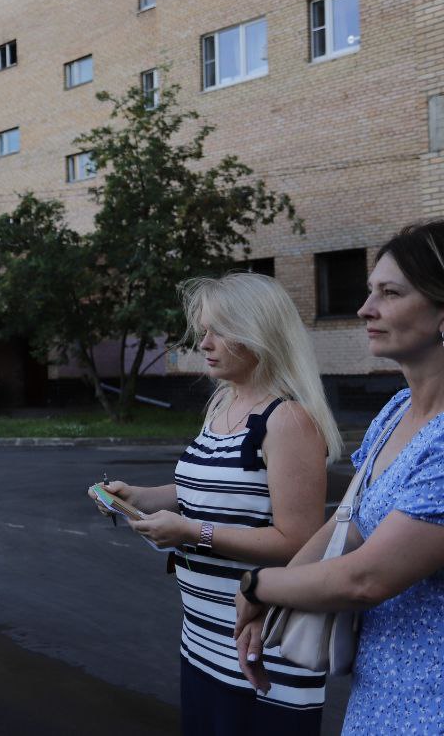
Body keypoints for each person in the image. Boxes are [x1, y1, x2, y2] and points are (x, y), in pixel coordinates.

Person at [89, 272, 340, 734]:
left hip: (264, 648)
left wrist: (191, 533)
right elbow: (204, 493)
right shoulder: (222, 402)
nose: (203, 343)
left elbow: (300, 542)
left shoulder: (288, 419)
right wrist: (139, 498)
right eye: (203, 329)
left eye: (218, 331)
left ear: (258, 333)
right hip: (203, 637)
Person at [235, 222, 444, 734]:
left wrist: (260, 585)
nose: (364, 309)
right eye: (370, 290)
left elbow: (364, 579)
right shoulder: (397, 411)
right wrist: (274, 599)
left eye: (390, 293)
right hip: (381, 694)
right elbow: (348, 523)